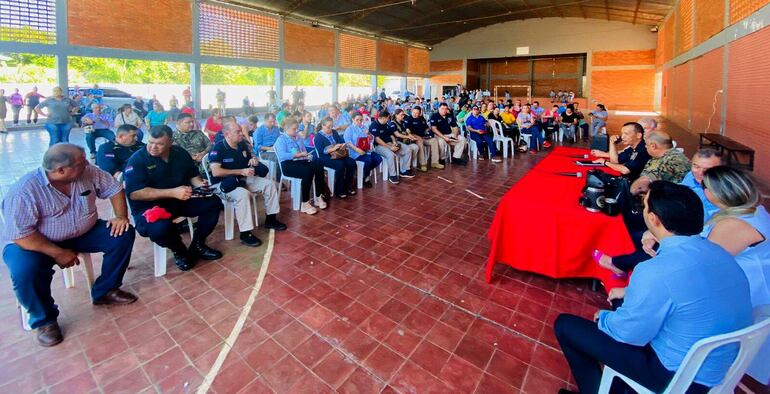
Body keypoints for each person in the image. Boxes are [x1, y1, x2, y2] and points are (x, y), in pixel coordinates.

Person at [555, 181, 753, 394]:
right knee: (621, 302)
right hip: (717, 367)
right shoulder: (721, 254)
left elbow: (628, 334)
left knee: (566, 326)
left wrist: (603, 318)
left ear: (654, 219)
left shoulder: (655, 270)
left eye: (645, 207)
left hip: (678, 375)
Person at [2, 144, 137, 346]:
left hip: (84, 232)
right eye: (81, 163)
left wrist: (120, 216)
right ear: (60, 171)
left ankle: (105, 290)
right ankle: (44, 320)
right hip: (35, 242)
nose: (87, 164)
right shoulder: (24, 192)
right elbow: (22, 235)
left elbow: (115, 188)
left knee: (123, 233)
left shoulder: (87, 172)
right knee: (25, 269)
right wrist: (58, 253)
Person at [595, 148, 723, 275]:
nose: (700, 172)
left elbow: (700, 227)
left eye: (707, 169)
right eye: (696, 166)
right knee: (626, 219)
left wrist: (656, 234)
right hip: (671, 219)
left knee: (641, 240)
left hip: (689, 233)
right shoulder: (691, 176)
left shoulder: (719, 190)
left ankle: (618, 263)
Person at [701, 166, 770, 384]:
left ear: (716, 193)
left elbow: (702, 265)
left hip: (751, 291)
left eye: (705, 186)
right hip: (750, 285)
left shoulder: (734, 223)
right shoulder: (753, 210)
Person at [125, 125, 223, 271]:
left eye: (159, 144)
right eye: (150, 142)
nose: (153, 147)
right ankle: (180, 251)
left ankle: (198, 244)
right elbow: (135, 193)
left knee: (213, 202)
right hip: (150, 207)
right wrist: (172, 192)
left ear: (170, 142)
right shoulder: (137, 160)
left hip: (180, 199)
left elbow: (193, 175)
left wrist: (201, 184)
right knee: (159, 229)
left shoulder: (180, 153)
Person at [208, 118, 286, 246]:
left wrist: (254, 160)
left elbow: (252, 157)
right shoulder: (218, 148)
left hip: (243, 179)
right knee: (243, 195)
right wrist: (241, 171)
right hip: (224, 184)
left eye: (241, 131)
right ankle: (245, 234)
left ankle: (271, 220)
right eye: (238, 132)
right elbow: (216, 172)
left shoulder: (242, 144)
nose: (241, 134)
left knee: (270, 185)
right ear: (227, 134)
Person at [274, 118, 326, 214]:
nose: (296, 130)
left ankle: (318, 196)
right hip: (287, 165)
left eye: (297, 128)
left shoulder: (298, 137)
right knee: (308, 170)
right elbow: (282, 155)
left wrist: (306, 154)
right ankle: (305, 203)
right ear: (286, 129)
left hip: (300, 161)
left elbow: (303, 150)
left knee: (318, 164)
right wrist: (296, 155)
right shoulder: (281, 140)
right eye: (294, 129)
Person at [314, 117, 357, 199]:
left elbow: (341, 140)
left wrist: (342, 145)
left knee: (351, 163)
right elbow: (320, 151)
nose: (330, 128)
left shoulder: (334, 132)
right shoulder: (318, 137)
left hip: (338, 154)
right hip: (325, 157)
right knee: (340, 165)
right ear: (322, 126)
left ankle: (347, 186)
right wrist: (332, 149)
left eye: (331, 126)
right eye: (328, 126)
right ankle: (339, 190)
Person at [370, 111, 416, 183]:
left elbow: (391, 135)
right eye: (388, 118)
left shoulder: (386, 124)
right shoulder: (374, 125)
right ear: (383, 118)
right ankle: (392, 175)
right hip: (379, 146)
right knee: (391, 155)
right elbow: (377, 139)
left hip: (390, 143)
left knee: (408, 149)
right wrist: (390, 147)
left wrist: (394, 143)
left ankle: (404, 170)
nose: (388, 120)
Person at [344, 112, 383, 185]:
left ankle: (363, 172)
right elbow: (348, 142)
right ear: (353, 119)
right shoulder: (349, 129)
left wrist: (368, 134)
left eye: (361, 120)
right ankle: (366, 178)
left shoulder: (364, 127)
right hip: (355, 152)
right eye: (357, 120)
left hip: (366, 150)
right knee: (368, 160)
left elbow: (371, 139)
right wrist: (357, 149)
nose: (359, 122)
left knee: (379, 159)